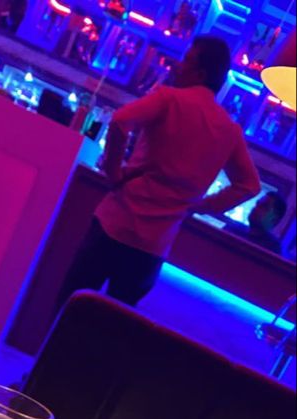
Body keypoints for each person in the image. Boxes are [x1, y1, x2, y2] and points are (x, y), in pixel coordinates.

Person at [57, 36, 261, 309]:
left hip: (115, 221)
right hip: (154, 245)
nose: (179, 65)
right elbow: (249, 185)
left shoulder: (169, 99)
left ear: (199, 73)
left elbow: (119, 121)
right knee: (109, 326)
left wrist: (114, 171)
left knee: (70, 305)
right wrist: (201, 207)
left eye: (187, 60)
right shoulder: (229, 130)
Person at [237, 190, 287, 255]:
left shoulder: (272, 249)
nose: (256, 208)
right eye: (257, 204)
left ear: (274, 219)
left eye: (263, 207)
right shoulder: (234, 229)